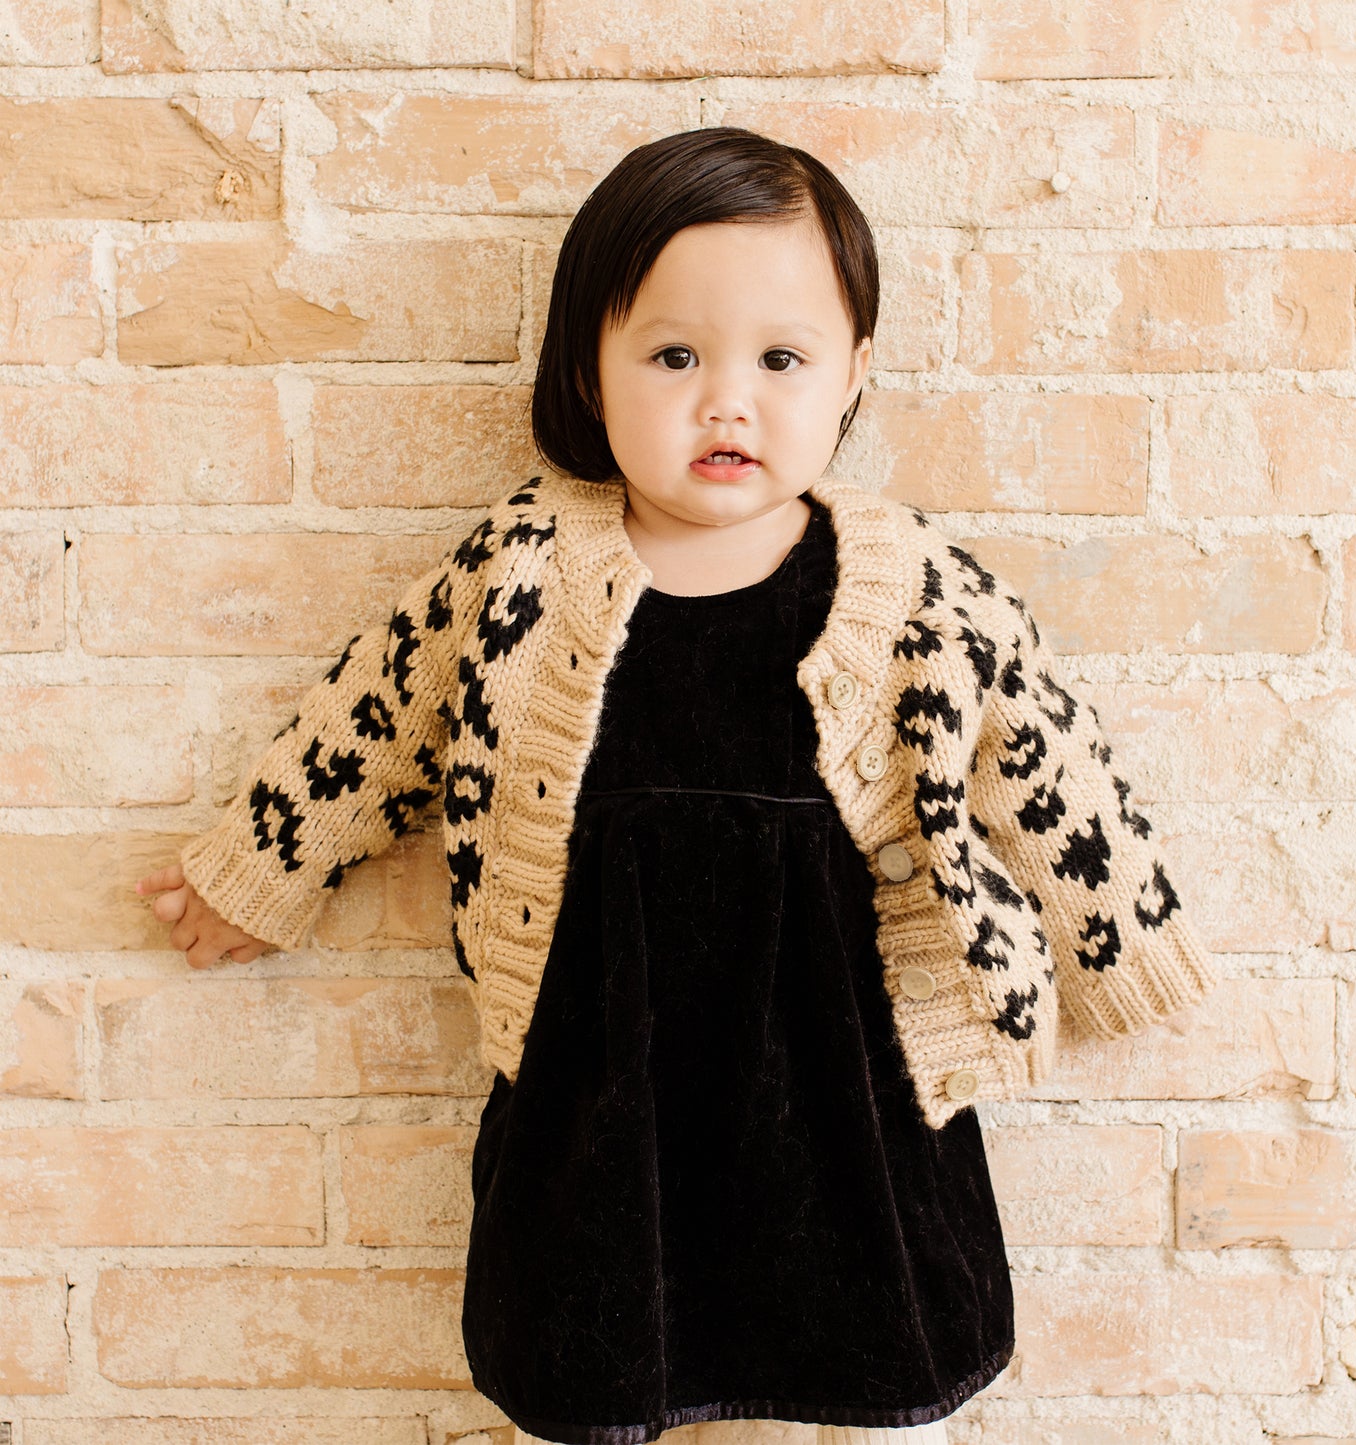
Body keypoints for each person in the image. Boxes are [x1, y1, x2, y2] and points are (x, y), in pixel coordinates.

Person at [135, 126, 1220, 1445]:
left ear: (852, 376)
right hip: (610, 1087)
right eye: (672, 356)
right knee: (607, 1357)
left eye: (779, 359)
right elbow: (377, 716)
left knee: (849, 1380)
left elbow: (1045, 755)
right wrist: (262, 869)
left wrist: (1128, 945)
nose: (727, 401)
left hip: (847, 1090)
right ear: (591, 373)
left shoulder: (916, 590)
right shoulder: (518, 575)